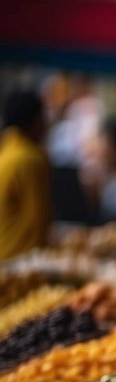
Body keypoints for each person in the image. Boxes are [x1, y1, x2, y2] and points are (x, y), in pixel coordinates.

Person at [0, 90, 52, 259]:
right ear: (37, 121)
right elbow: (38, 220)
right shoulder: (30, 158)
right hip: (18, 259)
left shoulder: (7, 151)